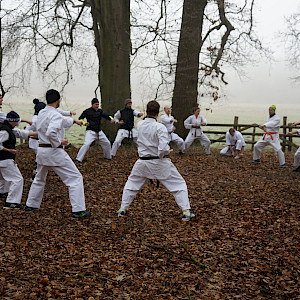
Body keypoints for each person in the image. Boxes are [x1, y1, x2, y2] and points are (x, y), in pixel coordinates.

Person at [117, 100, 195, 221]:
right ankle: (186, 211)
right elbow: (163, 148)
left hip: (142, 162)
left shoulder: (141, 125)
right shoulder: (160, 127)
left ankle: (122, 209)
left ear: (147, 111)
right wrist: (167, 152)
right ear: (158, 113)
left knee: (132, 184)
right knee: (178, 184)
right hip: (158, 162)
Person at [25, 89, 91, 218]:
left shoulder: (42, 113)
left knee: (39, 178)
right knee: (75, 178)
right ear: (58, 100)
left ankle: (31, 205)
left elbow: (60, 120)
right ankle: (78, 210)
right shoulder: (54, 115)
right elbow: (51, 132)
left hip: (41, 151)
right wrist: (59, 143)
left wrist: (74, 121)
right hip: (54, 151)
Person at [0, 111, 37, 209]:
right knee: (17, 179)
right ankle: (11, 202)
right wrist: (8, 150)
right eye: (16, 122)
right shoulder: (4, 131)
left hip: (3, 160)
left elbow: (22, 133)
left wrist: (41, 134)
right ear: (12, 121)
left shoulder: (8, 129)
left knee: (3, 178)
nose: (17, 124)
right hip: (4, 159)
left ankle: (2, 193)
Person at [75, 98, 114, 162]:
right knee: (86, 144)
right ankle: (78, 159)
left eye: (98, 104)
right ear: (92, 104)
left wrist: (111, 119)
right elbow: (81, 118)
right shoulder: (87, 111)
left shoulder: (100, 111)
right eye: (96, 104)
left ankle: (107, 157)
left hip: (99, 132)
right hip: (90, 132)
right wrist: (84, 123)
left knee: (107, 143)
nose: (97, 106)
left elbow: (107, 115)